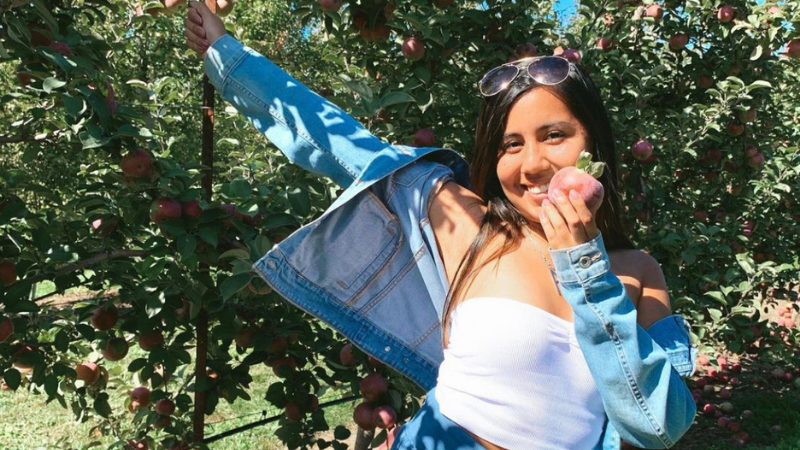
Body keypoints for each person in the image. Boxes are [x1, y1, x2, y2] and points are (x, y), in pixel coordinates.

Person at [183, 3, 697, 449]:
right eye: (510, 145)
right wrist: (227, 56)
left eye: (555, 135)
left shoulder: (637, 272)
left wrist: (586, 268)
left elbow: (657, 426)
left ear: (593, 143)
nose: (532, 164)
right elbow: (340, 144)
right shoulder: (472, 227)